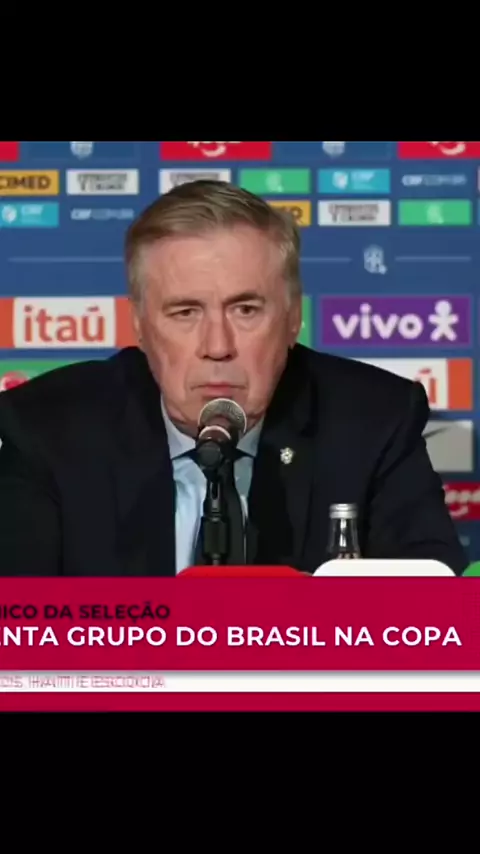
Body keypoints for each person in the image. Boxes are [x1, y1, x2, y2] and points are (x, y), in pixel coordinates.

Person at [0, 180, 468, 576]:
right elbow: (18, 630)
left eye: (245, 309)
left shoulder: (374, 421)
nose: (218, 345)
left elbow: (432, 621)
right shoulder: (47, 429)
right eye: (185, 312)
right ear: (139, 324)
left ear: (292, 317)